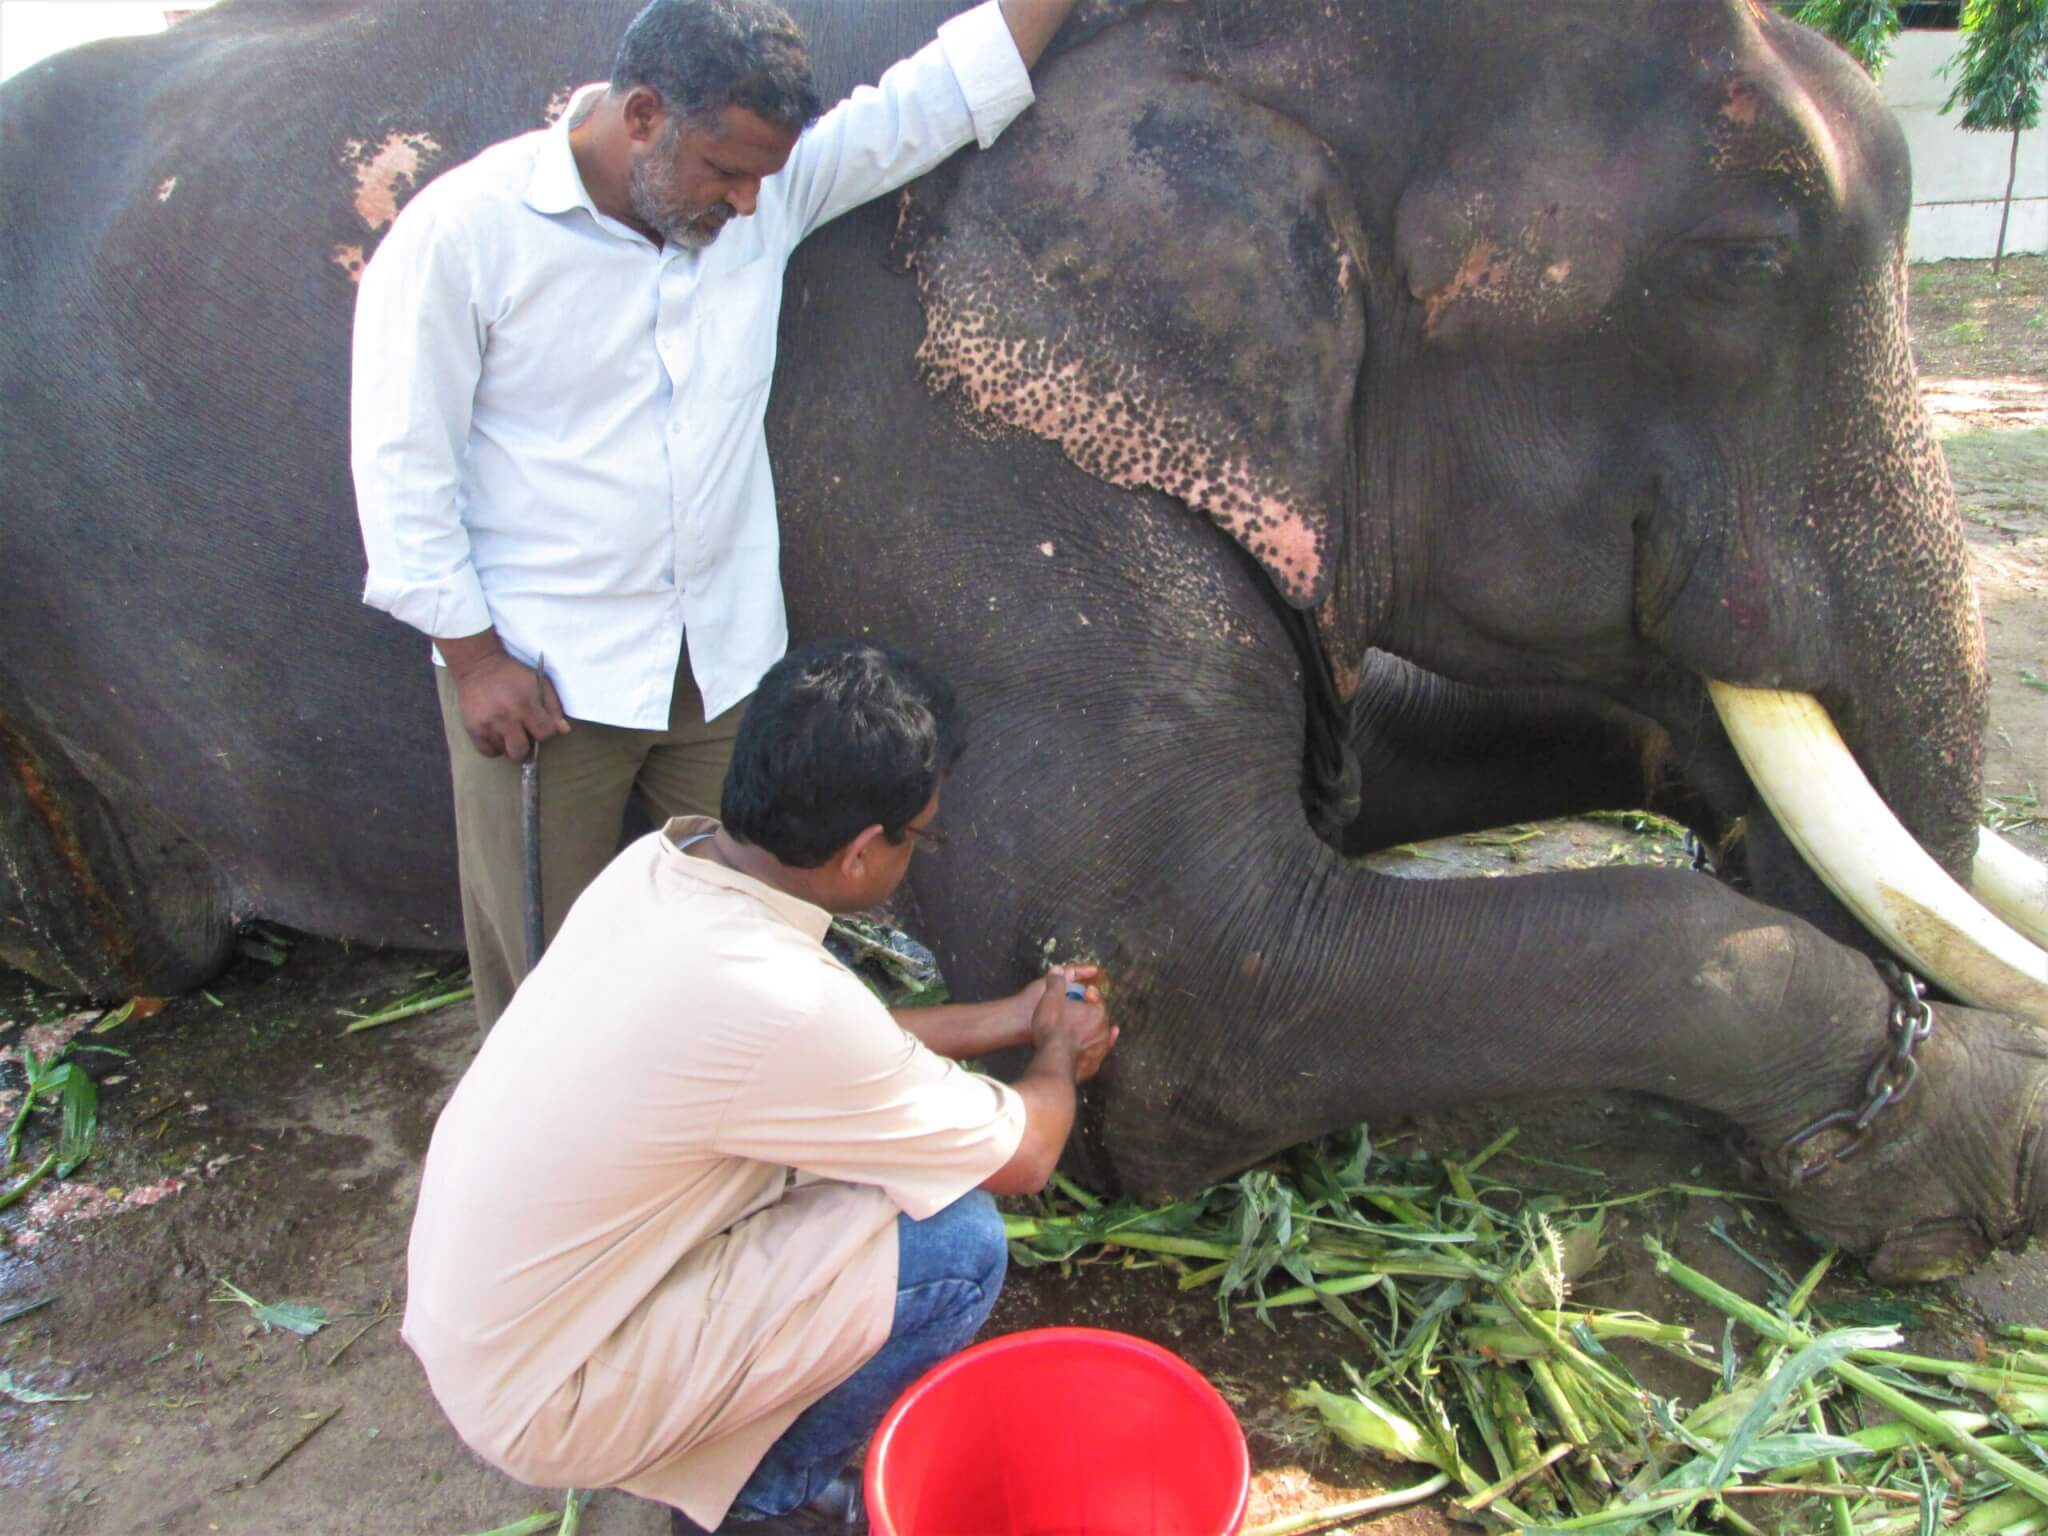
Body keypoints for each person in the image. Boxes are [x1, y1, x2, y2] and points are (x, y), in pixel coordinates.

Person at [351, 0, 1077, 1029]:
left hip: (722, 670)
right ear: (641, 114)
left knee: (754, 941)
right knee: (550, 979)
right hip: (549, 682)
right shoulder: (462, 233)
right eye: (724, 172)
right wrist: (473, 662)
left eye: (762, 179)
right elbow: (399, 468)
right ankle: (574, 1176)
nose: (745, 204)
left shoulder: (758, 198)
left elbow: (933, 100)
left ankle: (735, 1155)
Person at [403, 639, 1118, 1534]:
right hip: (550, 1391)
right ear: (862, 853)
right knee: (956, 1246)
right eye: (923, 836)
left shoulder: (665, 867)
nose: (920, 854)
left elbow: (824, 1058)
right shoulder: (778, 998)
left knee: (858, 1173)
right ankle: (763, 1503)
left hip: (482, 1322)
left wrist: (1009, 1017)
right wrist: (1057, 1049)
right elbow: (1027, 1151)